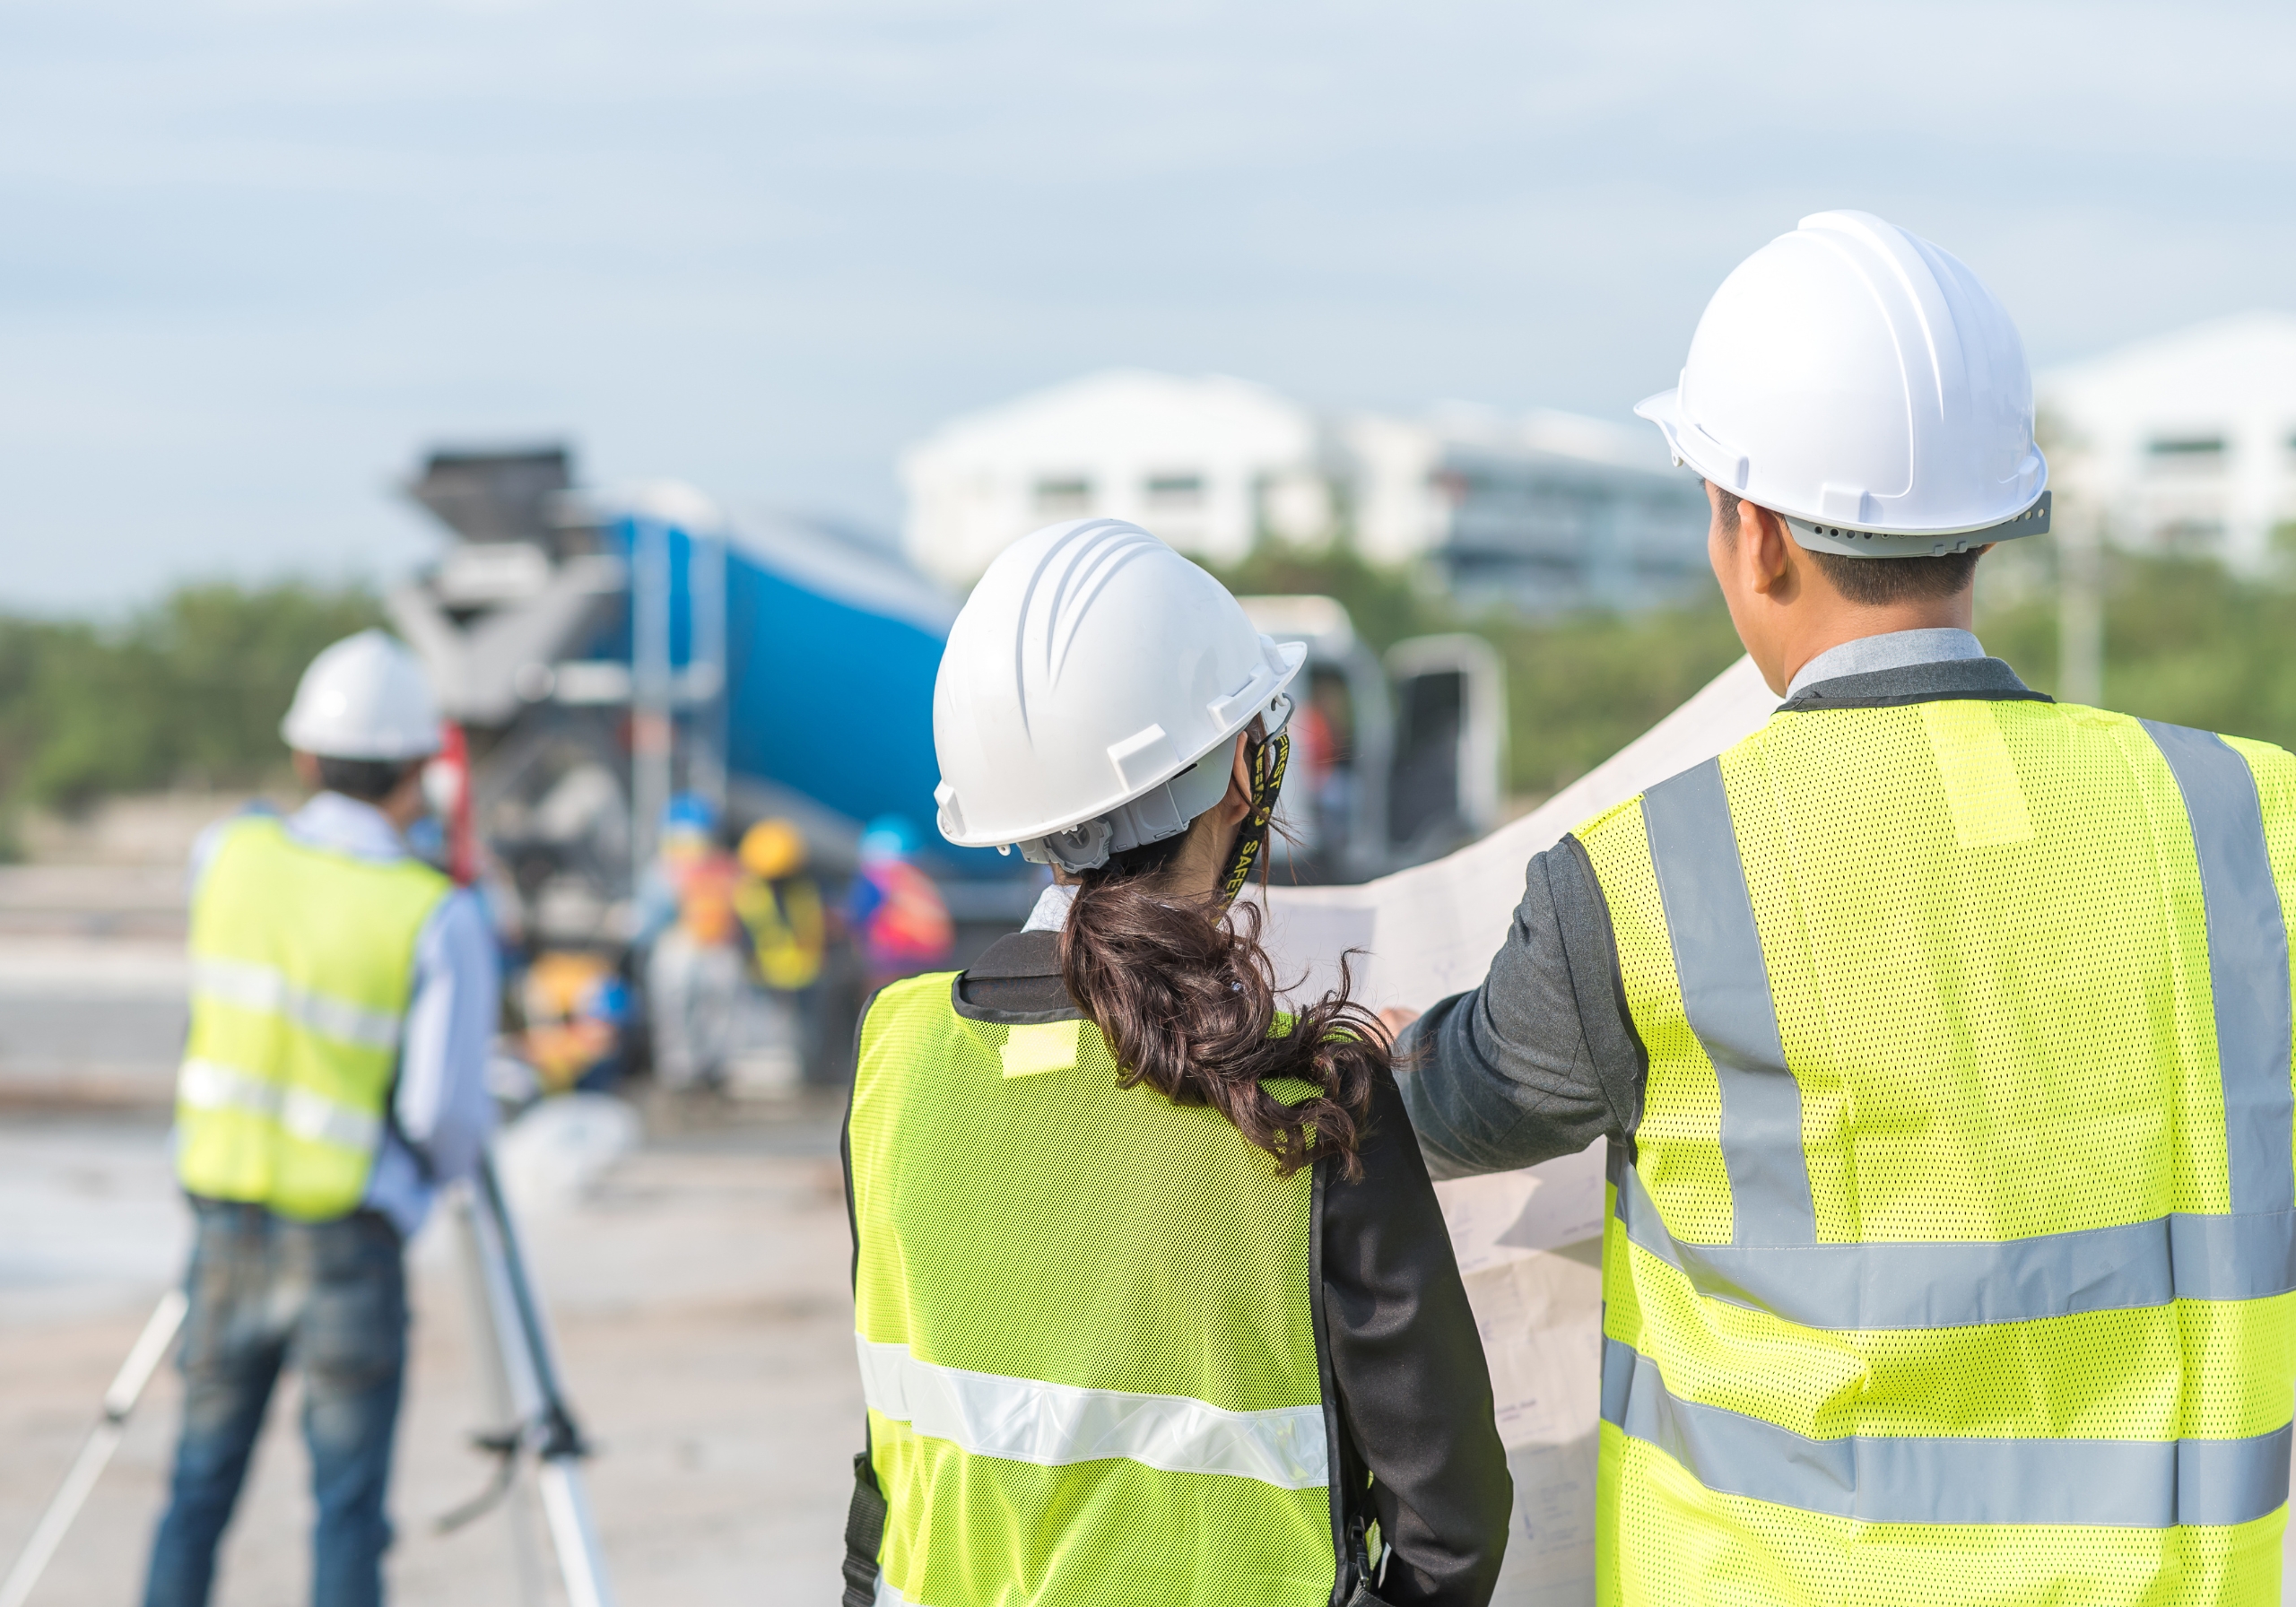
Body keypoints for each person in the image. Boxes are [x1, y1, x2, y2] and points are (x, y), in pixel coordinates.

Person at [1390, 211, 2296, 1603]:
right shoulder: (2250, 820)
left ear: (1753, 538)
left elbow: (1455, 1107)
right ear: (1994, 524)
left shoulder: (1640, 877)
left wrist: (1393, 1048)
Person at [840, 517, 1511, 1607]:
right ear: (1245, 773)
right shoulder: (1307, 1108)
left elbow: (887, 1476)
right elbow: (1452, 1528)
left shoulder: (895, 1057)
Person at [144, 630, 500, 1607]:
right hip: (349, 1237)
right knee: (347, 1509)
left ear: (305, 754)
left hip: (221, 1220)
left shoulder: (225, 854)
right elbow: (444, 1113)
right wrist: (421, 1193)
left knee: (196, 1488)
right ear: (423, 770)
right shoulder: (434, 912)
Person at [639, 793, 744, 1091]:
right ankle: (680, 1068)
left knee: (720, 1002)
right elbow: (652, 914)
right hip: (680, 940)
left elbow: (742, 905)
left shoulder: (723, 868)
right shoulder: (662, 872)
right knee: (677, 1001)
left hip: (718, 944)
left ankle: (715, 1066)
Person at [843, 812, 952, 990]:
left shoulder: (876, 879)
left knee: (882, 1003)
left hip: (892, 956)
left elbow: (859, 915)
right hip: (928, 956)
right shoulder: (919, 879)